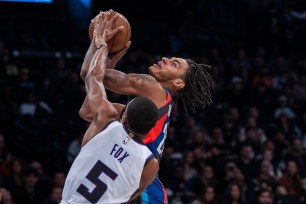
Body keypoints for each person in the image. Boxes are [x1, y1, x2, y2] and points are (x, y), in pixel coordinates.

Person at [79, 9, 214, 204]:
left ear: (178, 83)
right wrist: (106, 56)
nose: (166, 59)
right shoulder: (136, 112)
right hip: (136, 188)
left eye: (174, 64)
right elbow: (88, 109)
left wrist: (101, 44)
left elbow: (91, 74)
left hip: (144, 194)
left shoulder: (154, 88)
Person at [61, 13, 159, 204]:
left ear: (125, 117)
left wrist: (101, 44)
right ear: (150, 128)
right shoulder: (150, 164)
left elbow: (91, 76)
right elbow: (129, 196)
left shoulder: (105, 122)